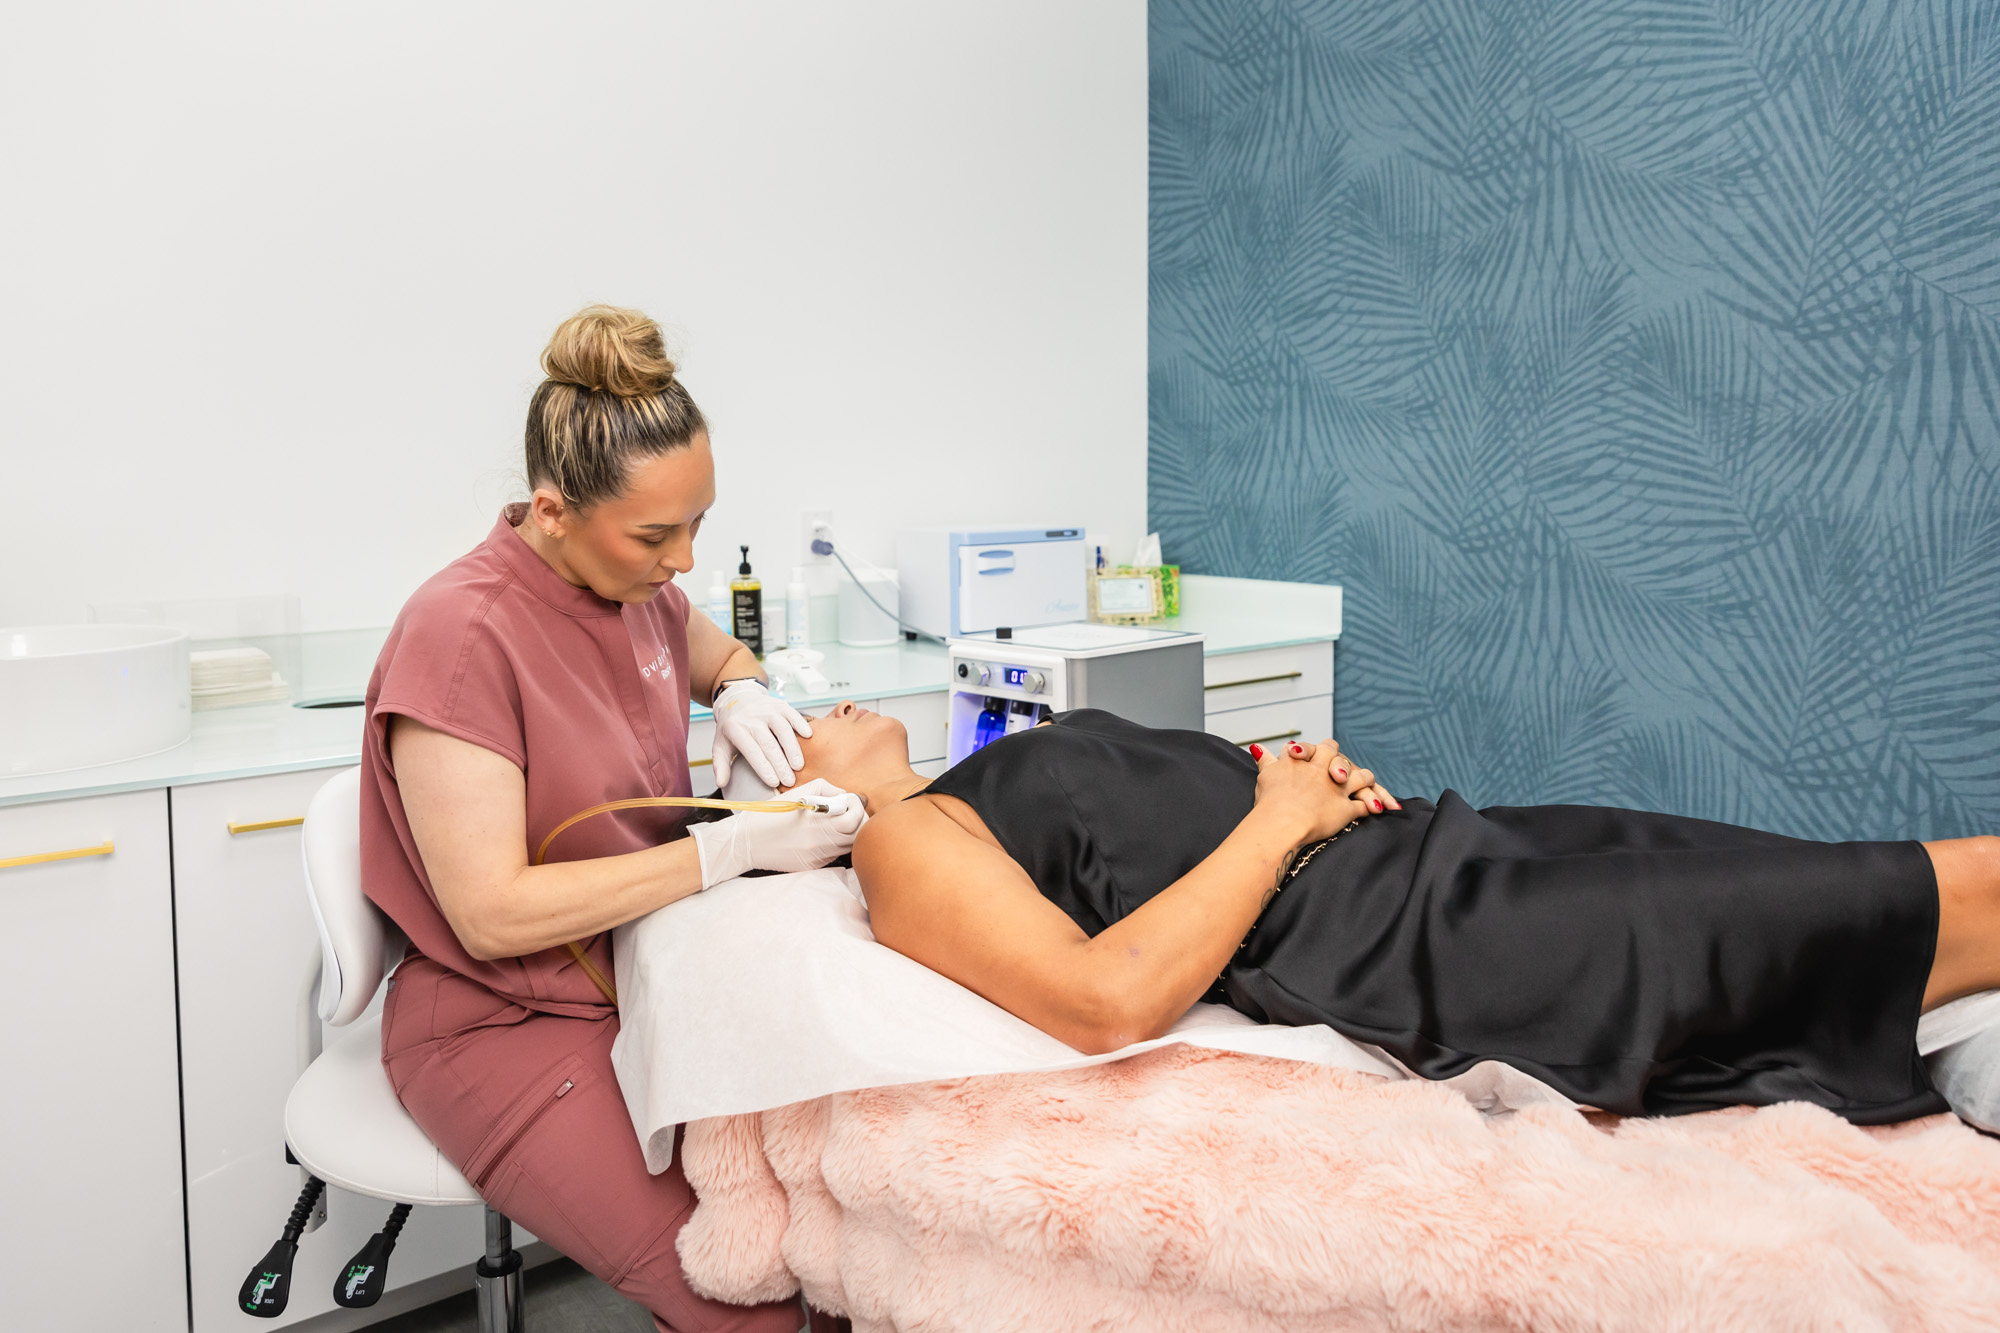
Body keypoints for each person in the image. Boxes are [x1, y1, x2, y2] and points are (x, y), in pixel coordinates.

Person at [360, 306, 862, 1332]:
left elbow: (719, 653)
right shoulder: (461, 637)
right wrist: (732, 845)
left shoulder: (636, 588)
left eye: (697, 523)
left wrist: (743, 691)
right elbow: (492, 914)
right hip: (502, 1016)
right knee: (753, 1299)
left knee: (842, 1250)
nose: (683, 560)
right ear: (551, 511)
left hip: (646, 970)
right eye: (654, 534)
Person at [785, 701, 2000, 1124]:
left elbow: (1186, 830)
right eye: (789, 731)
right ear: (799, 801)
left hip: (1440, 844)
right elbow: (1102, 1001)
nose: (820, 705)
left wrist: (1308, 783)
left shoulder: (974, 773)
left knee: (1860, 892)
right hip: (1414, 935)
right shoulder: (900, 835)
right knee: (1951, 891)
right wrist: (1280, 818)